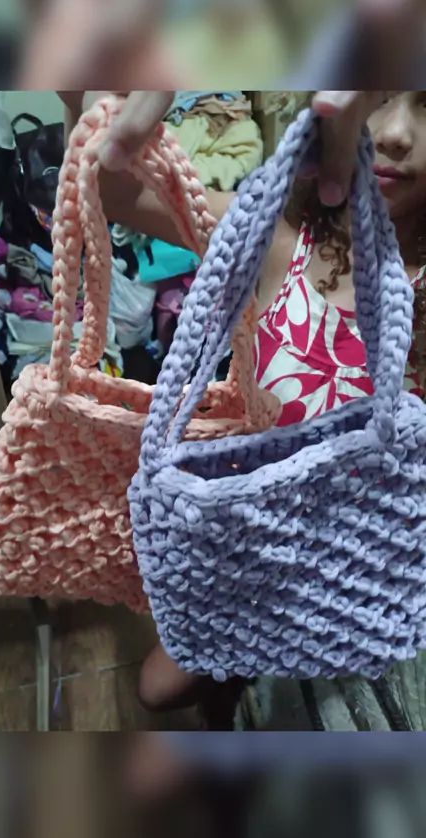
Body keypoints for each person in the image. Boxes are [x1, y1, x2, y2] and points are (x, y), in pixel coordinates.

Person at [61, 90, 426, 727]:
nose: (395, 132)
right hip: (255, 538)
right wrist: (89, 100)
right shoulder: (279, 235)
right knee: (159, 687)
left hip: (375, 555)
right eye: (378, 95)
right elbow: (116, 191)